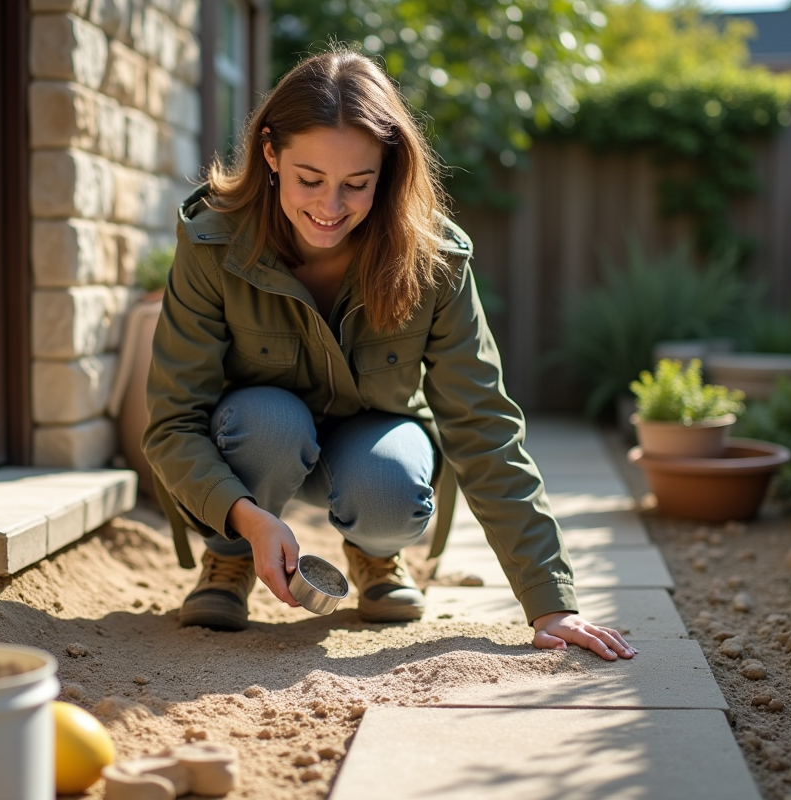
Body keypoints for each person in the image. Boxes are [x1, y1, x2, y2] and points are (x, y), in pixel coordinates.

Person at [142, 47, 636, 662]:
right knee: (268, 421)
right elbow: (172, 422)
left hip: (374, 435)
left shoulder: (434, 261)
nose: (329, 208)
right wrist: (243, 516)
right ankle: (232, 556)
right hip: (256, 446)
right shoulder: (213, 244)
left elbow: (483, 425)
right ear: (270, 154)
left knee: (391, 484)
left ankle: (377, 553)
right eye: (309, 179)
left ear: (389, 169)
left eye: (357, 184)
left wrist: (550, 601)